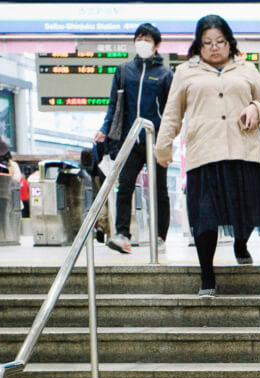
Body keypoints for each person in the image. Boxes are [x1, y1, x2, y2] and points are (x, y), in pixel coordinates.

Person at [156, 14, 260, 296]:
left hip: (242, 151)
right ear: (198, 44)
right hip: (204, 154)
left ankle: (240, 243)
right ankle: (207, 275)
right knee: (205, 216)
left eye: (220, 41)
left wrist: (256, 109)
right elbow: (172, 113)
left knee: (243, 210)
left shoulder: (247, 69)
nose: (214, 47)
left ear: (229, 43)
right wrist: (163, 147)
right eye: (207, 42)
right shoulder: (186, 72)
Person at [96, 23, 173, 254]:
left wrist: (167, 142)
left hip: (156, 141)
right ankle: (122, 235)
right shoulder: (123, 71)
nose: (142, 42)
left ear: (157, 45)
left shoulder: (165, 75)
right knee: (125, 186)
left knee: (159, 190)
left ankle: (160, 236)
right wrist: (104, 129)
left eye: (147, 39)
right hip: (129, 140)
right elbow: (114, 106)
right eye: (139, 38)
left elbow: (171, 112)